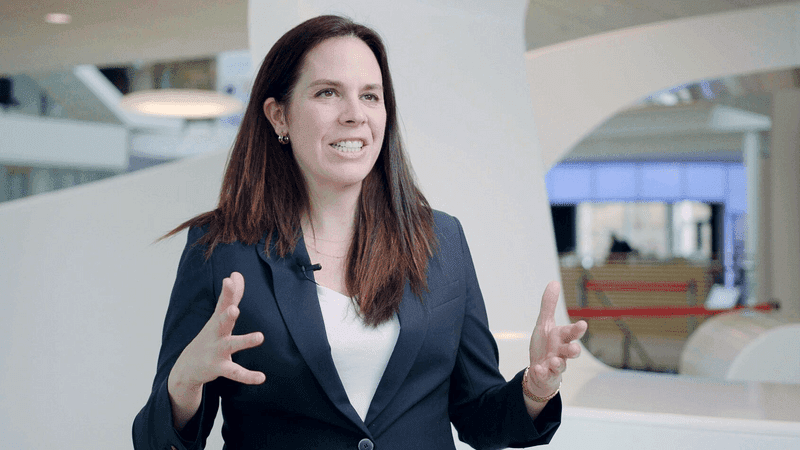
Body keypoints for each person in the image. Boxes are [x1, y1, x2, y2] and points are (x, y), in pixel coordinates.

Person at [133, 15, 587, 450]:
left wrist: (534, 389)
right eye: (328, 92)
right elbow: (156, 442)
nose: (355, 115)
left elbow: (478, 418)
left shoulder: (441, 239)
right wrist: (183, 383)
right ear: (278, 116)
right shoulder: (222, 250)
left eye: (370, 96)